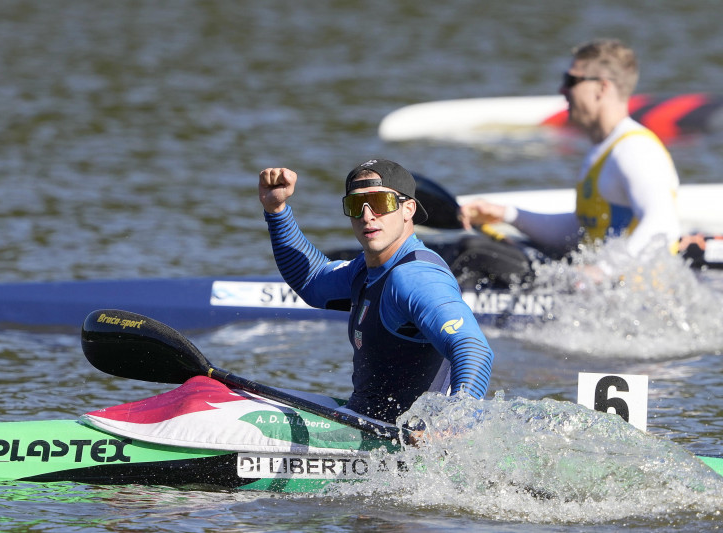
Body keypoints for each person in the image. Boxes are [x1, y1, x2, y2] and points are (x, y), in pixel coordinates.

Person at [258, 159, 495, 426]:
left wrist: (456, 424)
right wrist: (276, 210)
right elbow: (313, 281)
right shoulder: (365, 268)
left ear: (408, 209)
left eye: (380, 203)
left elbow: (473, 349)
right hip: (362, 418)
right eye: (356, 205)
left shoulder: (415, 277)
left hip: (406, 442)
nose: (368, 215)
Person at [460, 39, 681, 262]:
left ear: (601, 88)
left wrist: (600, 272)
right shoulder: (604, 149)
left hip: (635, 290)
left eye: (571, 80)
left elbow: (663, 224)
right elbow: (580, 231)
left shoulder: (635, 149)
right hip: (603, 285)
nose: (562, 89)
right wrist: (507, 214)